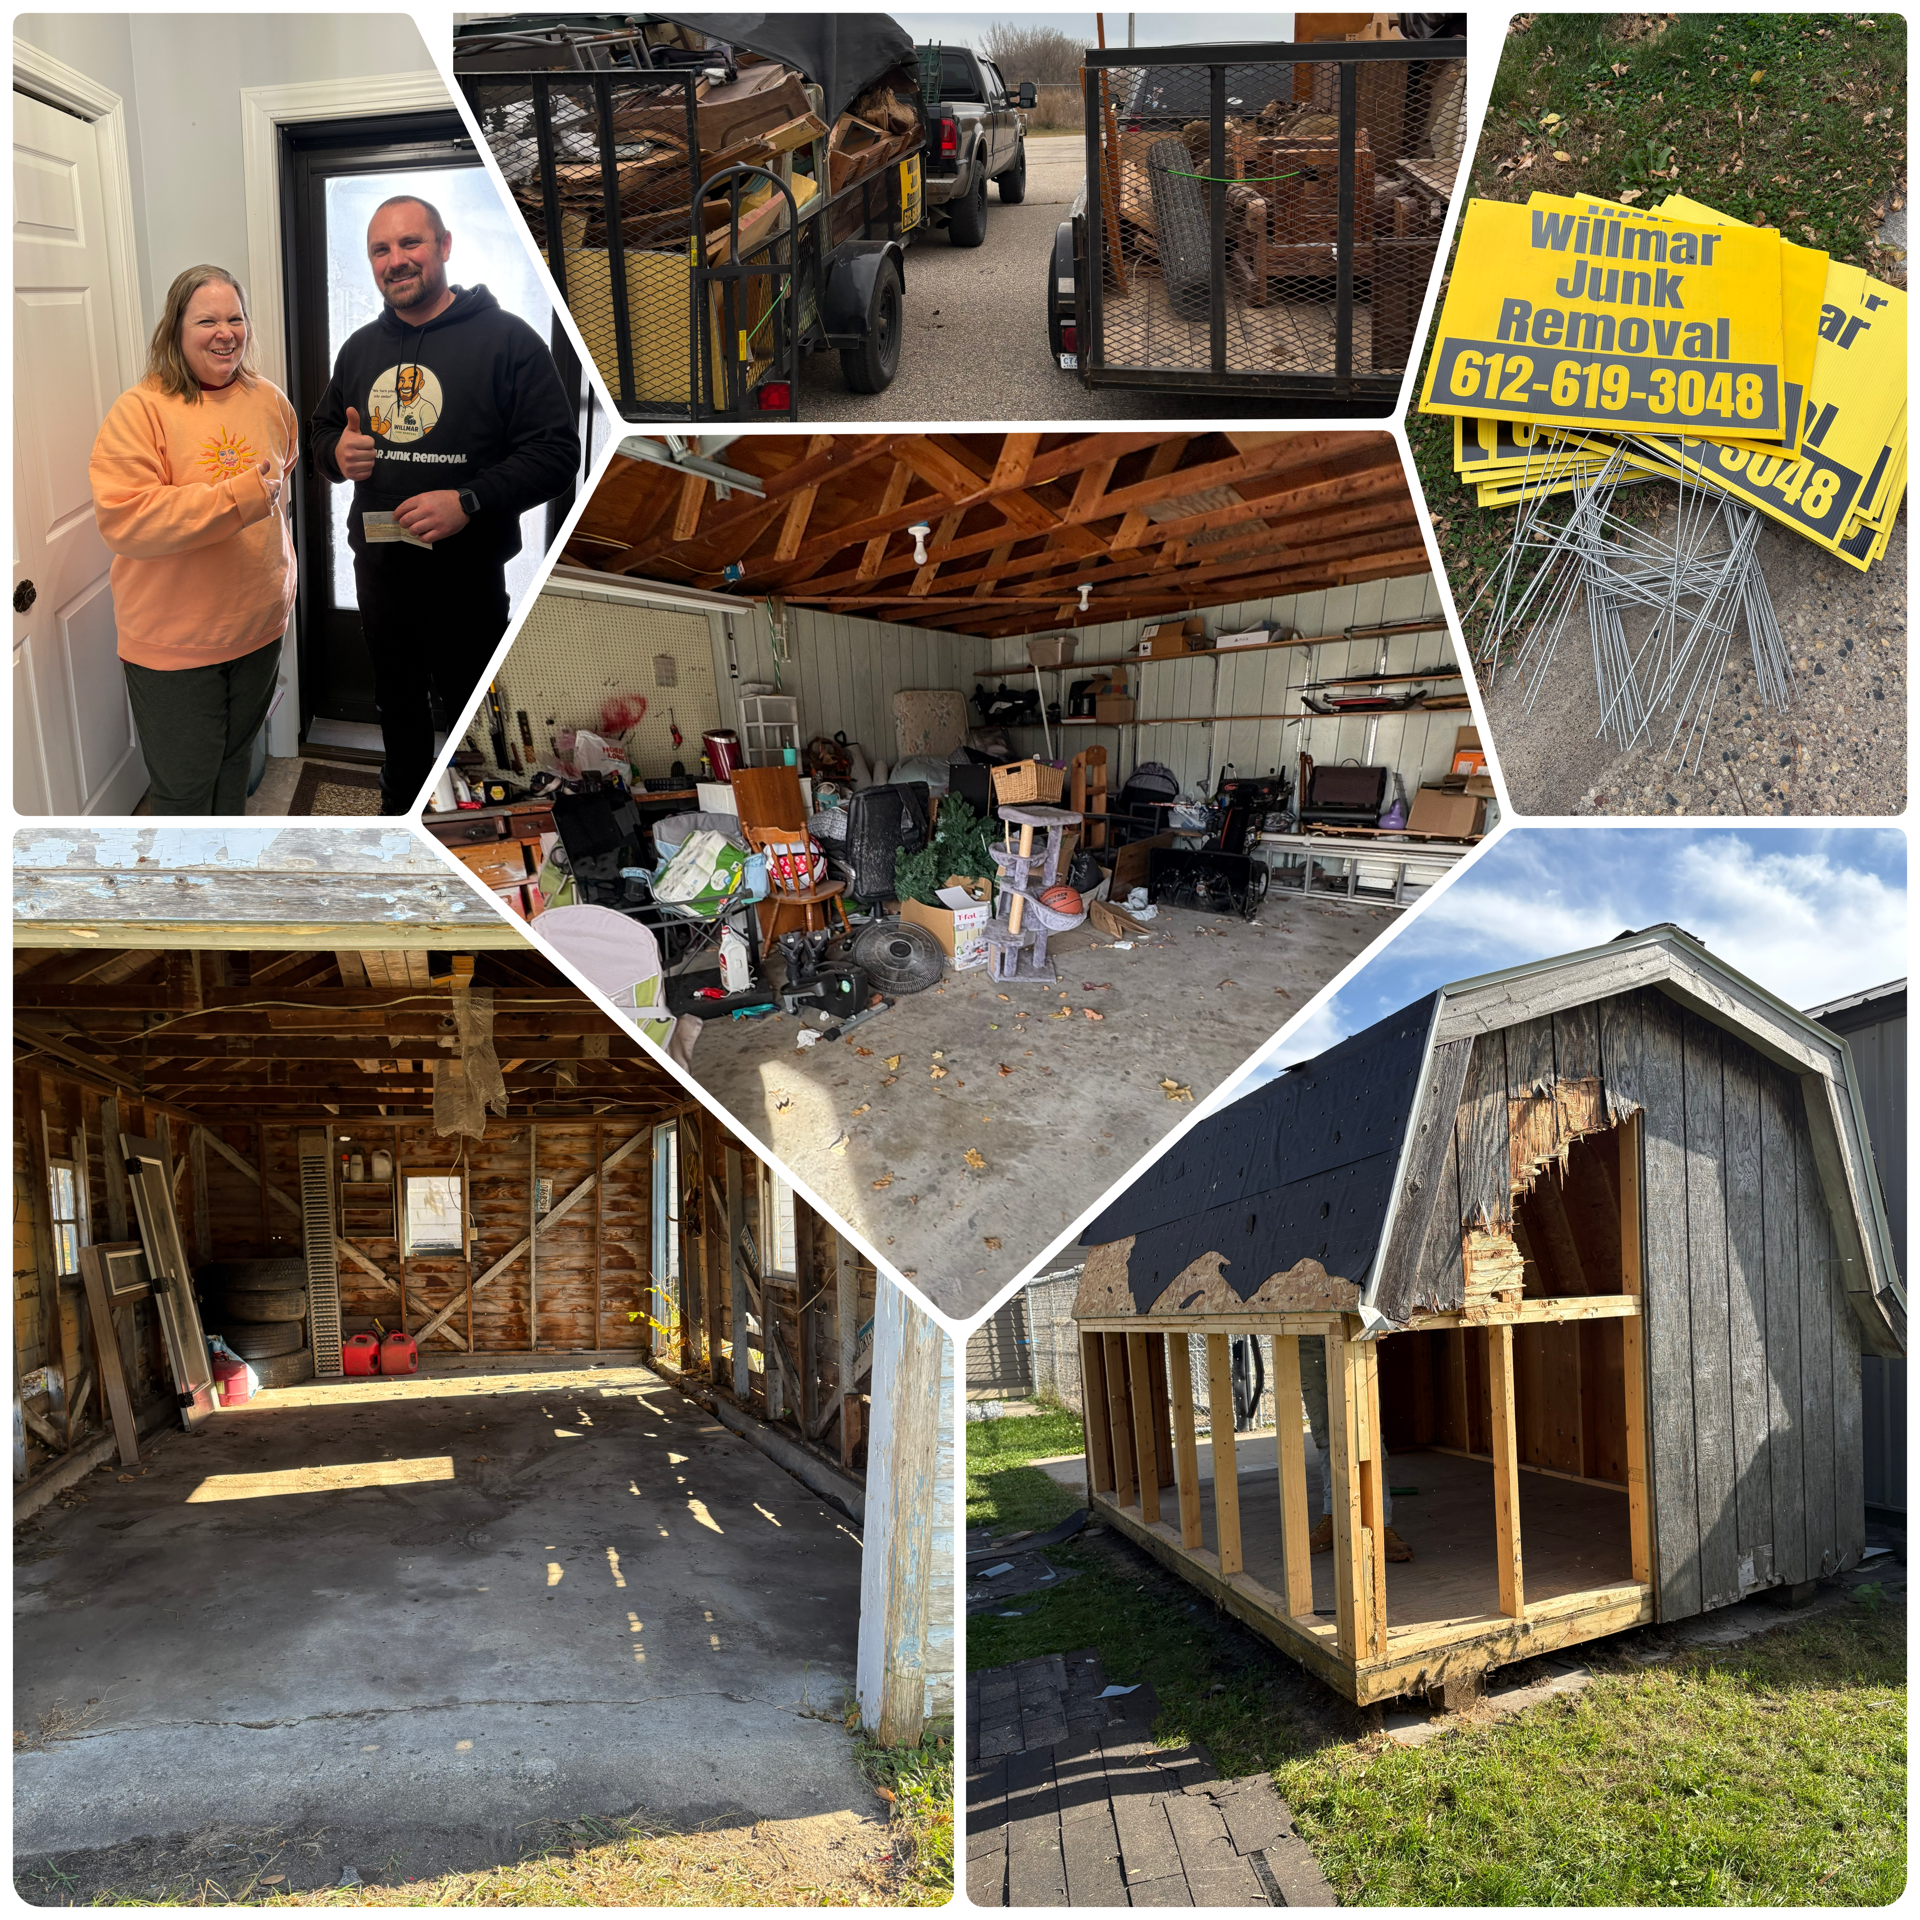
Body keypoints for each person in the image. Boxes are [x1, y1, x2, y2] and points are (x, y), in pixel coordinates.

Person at [308, 194, 579, 812]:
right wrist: (336, 454)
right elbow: (322, 432)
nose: (396, 260)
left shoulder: (509, 341)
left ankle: (460, 817)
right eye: (381, 249)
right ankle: (401, 804)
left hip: (466, 582)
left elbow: (558, 455)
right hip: (380, 573)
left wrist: (469, 500)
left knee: (468, 710)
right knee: (395, 703)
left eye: (411, 244)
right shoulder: (357, 350)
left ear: (445, 246)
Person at [89, 265, 296, 814]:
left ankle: (225, 876)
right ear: (175, 331)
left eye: (235, 318)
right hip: (174, 644)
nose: (225, 332)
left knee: (235, 767)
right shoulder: (141, 410)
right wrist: (237, 497)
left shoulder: (270, 401)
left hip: (258, 627)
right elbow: (127, 519)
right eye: (207, 320)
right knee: (183, 789)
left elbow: (282, 492)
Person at [1300, 1336, 1413, 1561]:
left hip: (1352, 1330)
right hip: (1307, 1332)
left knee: (1367, 1430)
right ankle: (1334, 1515)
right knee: (1324, 1430)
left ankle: (1379, 1524)